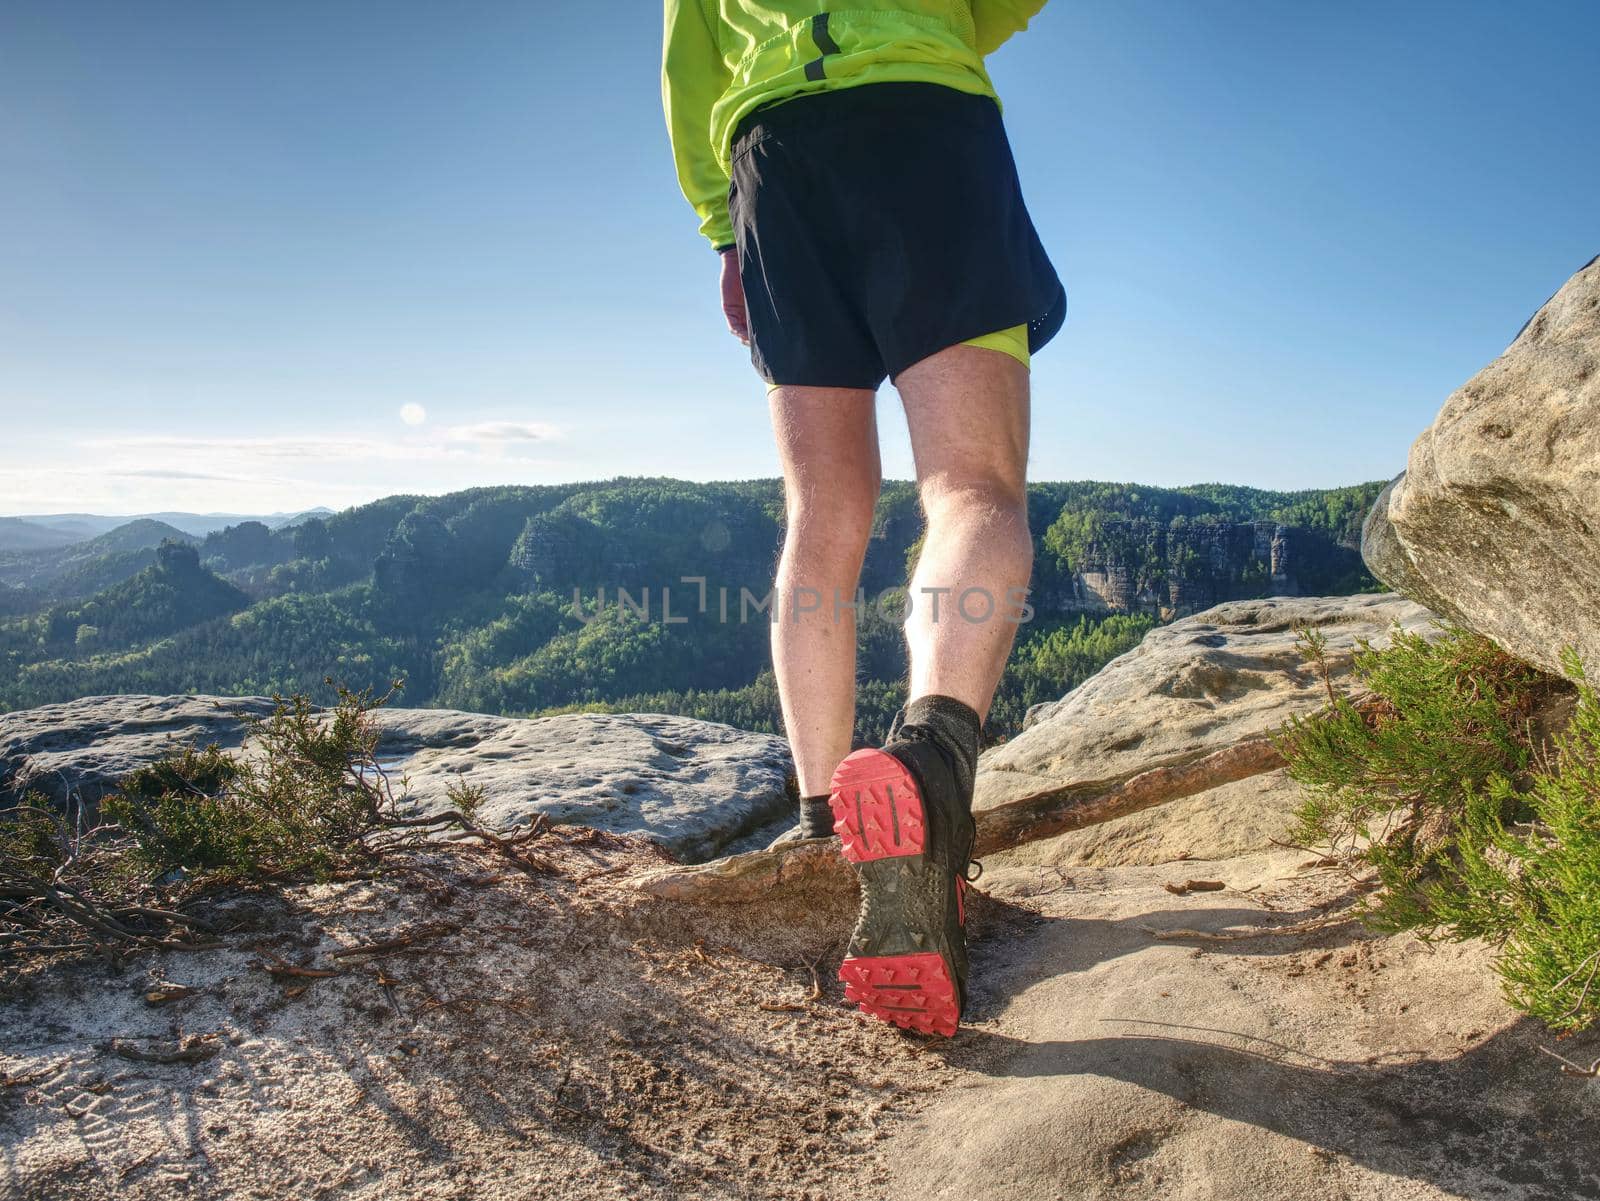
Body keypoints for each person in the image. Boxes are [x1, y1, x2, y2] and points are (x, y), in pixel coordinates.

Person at [662, 1, 1063, 1038]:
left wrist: (723, 228)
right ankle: (928, 767)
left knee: (820, 516)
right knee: (971, 490)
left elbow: (689, 66)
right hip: (923, 122)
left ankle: (815, 824)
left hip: (771, 157)